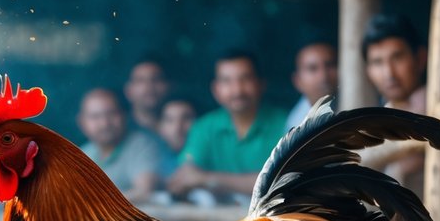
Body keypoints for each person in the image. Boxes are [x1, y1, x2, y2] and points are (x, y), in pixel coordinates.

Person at [166, 50, 287, 205]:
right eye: (227, 81)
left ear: (261, 84)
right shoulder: (204, 127)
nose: (237, 90)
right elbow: (182, 179)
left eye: (245, 79)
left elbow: (282, 183)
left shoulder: (286, 124)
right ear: (216, 90)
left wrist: (206, 179)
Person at [362, 13, 428, 190]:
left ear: (420, 59)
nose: (389, 73)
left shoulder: (435, 103)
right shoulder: (377, 121)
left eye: (397, 57)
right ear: (368, 71)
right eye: (377, 62)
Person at [76, 88, 163, 205]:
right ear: (82, 122)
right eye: (95, 117)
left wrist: (94, 204)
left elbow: (145, 191)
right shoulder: (83, 153)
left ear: (124, 115)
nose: (104, 123)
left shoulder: (142, 144)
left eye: (111, 114)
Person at [285, 41, 338, 131]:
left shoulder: (358, 99)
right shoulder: (296, 126)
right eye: (312, 68)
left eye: (330, 65)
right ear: (297, 81)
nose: (323, 76)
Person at [123, 55, 171, 139]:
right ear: (128, 91)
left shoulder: (182, 128)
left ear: (168, 87)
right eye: (140, 80)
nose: (149, 86)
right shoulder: (120, 132)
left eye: (156, 79)